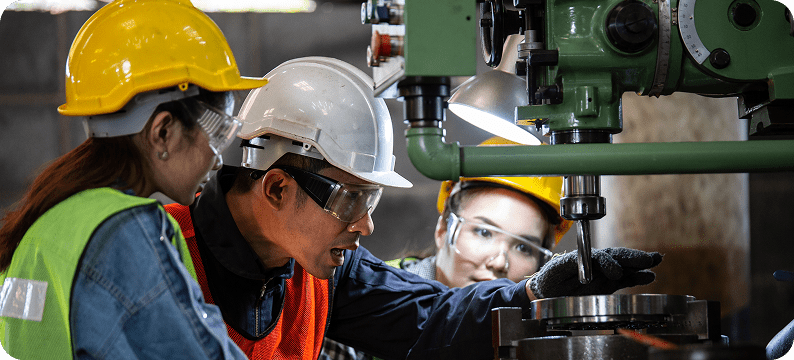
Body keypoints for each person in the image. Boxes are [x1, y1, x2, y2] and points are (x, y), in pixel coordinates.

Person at [164, 55, 664, 360]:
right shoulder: (160, 254)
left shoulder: (324, 271)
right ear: (276, 188)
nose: (366, 223)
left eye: (371, 198)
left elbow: (430, 318)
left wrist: (535, 292)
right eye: (350, 199)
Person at [0, 0, 268, 358]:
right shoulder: (126, 232)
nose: (219, 161)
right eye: (218, 134)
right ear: (162, 132)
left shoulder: (46, 221)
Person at [322, 137, 574, 359]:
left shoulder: (539, 336)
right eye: (483, 232)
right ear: (443, 228)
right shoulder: (361, 303)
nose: (499, 262)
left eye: (523, 247)